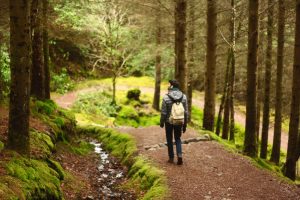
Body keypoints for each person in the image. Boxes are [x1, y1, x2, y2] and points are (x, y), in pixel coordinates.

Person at [160, 80, 188, 165]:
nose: (168, 85)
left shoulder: (166, 97)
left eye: (169, 84)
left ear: (171, 86)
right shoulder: (184, 97)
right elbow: (185, 112)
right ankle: (179, 156)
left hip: (169, 122)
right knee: (178, 138)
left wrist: (161, 122)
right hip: (179, 121)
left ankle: (171, 158)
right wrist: (185, 124)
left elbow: (163, 112)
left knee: (169, 139)